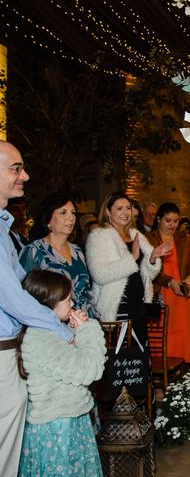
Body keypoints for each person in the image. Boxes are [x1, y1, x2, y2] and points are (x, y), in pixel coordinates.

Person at [0, 140, 74, 477]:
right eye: (16, 168)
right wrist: (60, 329)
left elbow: (22, 288)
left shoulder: (4, 228)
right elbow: (12, 299)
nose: (25, 176)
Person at [17, 269, 106, 476]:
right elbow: (89, 369)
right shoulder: (41, 337)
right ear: (49, 303)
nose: (73, 304)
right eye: (67, 300)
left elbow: (69, 360)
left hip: (68, 420)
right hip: (56, 429)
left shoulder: (52, 332)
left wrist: (76, 331)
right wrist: (86, 330)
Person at [85, 192, 171, 343]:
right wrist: (132, 259)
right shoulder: (99, 236)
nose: (125, 213)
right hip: (117, 308)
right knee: (121, 360)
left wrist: (152, 259)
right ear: (107, 211)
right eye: (119, 208)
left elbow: (148, 276)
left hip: (138, 305)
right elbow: (99, 274)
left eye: (128, 208)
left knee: (138, 359)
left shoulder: (135, 234)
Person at [19, 194, 98, 318]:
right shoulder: (34, 251)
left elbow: (86, 292)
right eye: (63, 213)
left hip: (83, 322)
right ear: (48, 220)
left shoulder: (77, 251)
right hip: (52, 325)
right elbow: (25, 295)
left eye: (73, 213)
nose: (70, 218)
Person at [146, 202, 190, 363]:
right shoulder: (149, 238)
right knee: (163, 338)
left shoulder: (184, 238)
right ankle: (161, 378)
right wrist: (169, 281)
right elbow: (147, 268)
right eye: (168, 220)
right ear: (158, 220)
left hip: (182, 296)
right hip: (161, 294)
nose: (172, 225)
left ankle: (183, 376)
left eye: (176, 221)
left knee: (184, 336)